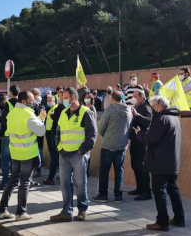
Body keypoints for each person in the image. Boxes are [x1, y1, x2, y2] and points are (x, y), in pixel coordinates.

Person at [133, 97, 185, 232]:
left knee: (159, 191)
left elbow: (150, 139)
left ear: (160, 105)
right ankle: (179, 218)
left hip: (160, 162)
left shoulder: (162, 119)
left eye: (154, 106)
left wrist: (140, 134)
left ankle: (162, 222)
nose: (153, 108)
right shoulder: (175, 118)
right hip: (171, 161)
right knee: (173, 189)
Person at [0, 91, 46, 221]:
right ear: (24, 101)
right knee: (24, 183)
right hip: (28, 153)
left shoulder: (12, 113)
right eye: (31, 100)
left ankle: (2, 209)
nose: (33, 102)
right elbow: (40, 132)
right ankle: (21, 212)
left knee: (12, 181)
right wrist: (41, 118)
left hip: (16, 152)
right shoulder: (28, 114)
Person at [50, 87, 97, 222]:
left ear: (73, 98)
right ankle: (66, 212)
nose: (62, 99)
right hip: (64, 154)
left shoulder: (85, 113)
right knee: (64, 185)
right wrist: (59, 147)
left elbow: (92, 135)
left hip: (78, 155)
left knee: (80, 184)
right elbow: (58, 132)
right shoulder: (64, 112)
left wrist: (82, 151)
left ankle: (82, 210)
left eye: (65, 97)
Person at [93, 91, 132, 203]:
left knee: (104, 170)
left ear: (112, 99)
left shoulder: (109, 110)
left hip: (108, 144)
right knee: (119, 170)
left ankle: (103, 195)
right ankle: (118, 196)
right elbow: (129, 127)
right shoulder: (129, 111)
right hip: (122, 145)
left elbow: (101, 127)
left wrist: (107, 136)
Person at [128, 90, 152, 201]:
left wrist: (137, 115)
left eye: (135, 96)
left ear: (141, 97)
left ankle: (146, 191)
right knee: (135, 165)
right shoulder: (137, 106)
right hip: (135, 139)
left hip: (141, 141)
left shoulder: (146, 107)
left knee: (141, 166)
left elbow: (148, 122)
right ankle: (139, 188)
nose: (133, 98)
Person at [0, 85, 20, 190]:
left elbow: (4, 120)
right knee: (16, 159)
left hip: (8, 134)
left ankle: (5, 182)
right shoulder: (22, 103)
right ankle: (15, 180)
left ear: (11, 93)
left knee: (5, 159)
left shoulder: (8, 103)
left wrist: (1, 134)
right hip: (19, 135)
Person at [43, 95, 59, 185]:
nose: (48, 102)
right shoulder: (48, 108)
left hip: (53, 134)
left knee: (54, 156)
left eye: (50, 100)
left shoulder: (56, 108)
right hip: (49, 133)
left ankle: (51, 177)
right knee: (53, 155)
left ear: (54, 101)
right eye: (47, 100)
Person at [31, 88, 46, 178]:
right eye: (37, 95)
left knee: (38, 151)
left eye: (38, 95)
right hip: (37, 131)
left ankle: (37, 169)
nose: (39, 97)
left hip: (37, 131)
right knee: (37, 150)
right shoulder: (39, 106)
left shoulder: (39, 106)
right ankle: (37, 169)